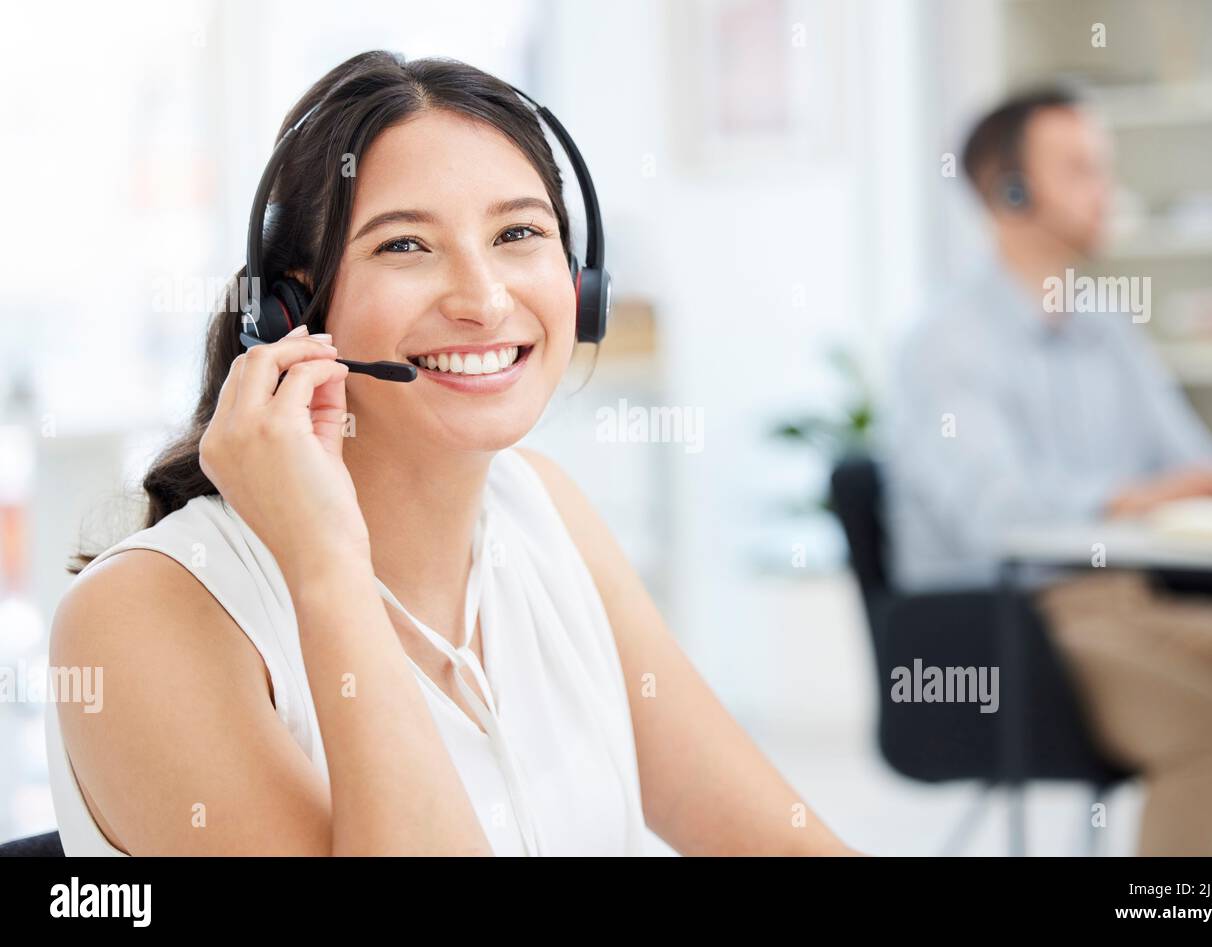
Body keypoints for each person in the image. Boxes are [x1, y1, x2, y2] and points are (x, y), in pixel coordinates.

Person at [46, 51, 861, 857]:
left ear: (580, 285)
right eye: (405, 246)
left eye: (518, 233)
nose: (483, 300)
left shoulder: (542, 512)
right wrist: (326, 563)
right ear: (293, 308)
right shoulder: (142, 617)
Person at [885, 86, 1212, 856]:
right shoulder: (946, 344)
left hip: (1135, 601)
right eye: (1080, 170)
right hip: (1020, 625)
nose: (1108, 191)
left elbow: (1196, 467)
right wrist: (1140, 497)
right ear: (1008, 190)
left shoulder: (1104, 328)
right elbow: (995, 514)